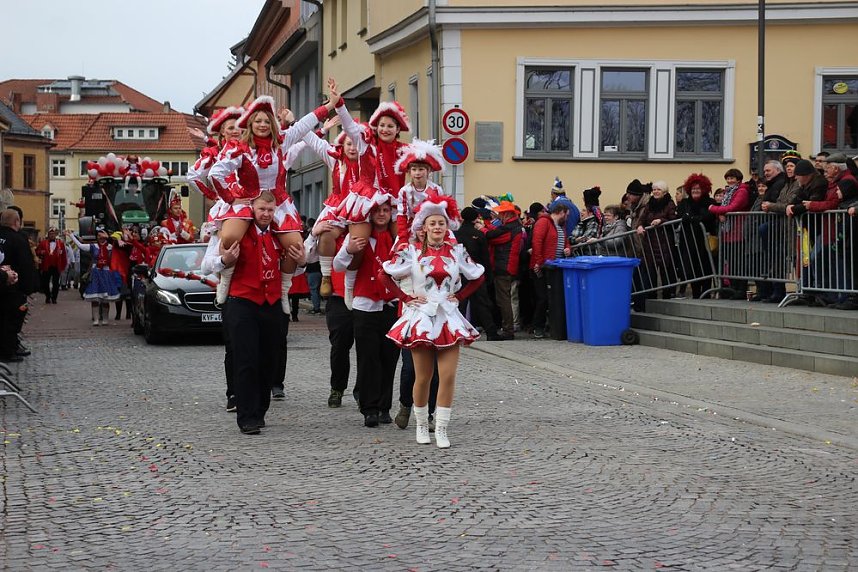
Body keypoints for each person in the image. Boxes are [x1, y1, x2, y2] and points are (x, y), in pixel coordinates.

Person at [209, 92, 338, 312]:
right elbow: (215, 173)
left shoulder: (282, 141)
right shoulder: (241, 149)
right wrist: (230, 197)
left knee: (296, 247)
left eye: (267, 121)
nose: (262, 125)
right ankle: (225, 281)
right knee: (230, 237)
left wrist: (330, 106)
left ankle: (284, 291)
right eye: (258, 121)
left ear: (273, 124)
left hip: (277, 203)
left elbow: (304, 124)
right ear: (250, 123)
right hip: (248, 200)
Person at [382, 195, 485, 448]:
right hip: (422, 318)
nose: (438, 227)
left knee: (448, 376)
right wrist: (405, 297)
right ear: (424, 228)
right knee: (423, 377)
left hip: (448, 317)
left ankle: (441, 428)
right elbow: (384, 274)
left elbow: (478, 275)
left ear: (447, 227)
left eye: (441, 223)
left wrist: (460, 296)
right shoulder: (411, 252)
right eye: (433, 223)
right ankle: (420, 425)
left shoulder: (457, 251)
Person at [219, 191, 306, 435]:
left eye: (270, 210)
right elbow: (210, 264)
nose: (266, 215)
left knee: (269, 360)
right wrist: (223, 260)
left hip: (272, 303)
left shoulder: (280, 236)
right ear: (252, 210)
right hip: (242, 301)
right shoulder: (238, 232)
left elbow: (292, 267)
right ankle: (246, 416)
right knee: (246, 360)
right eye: (262, 210)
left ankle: (260, 411)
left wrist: (302, 260)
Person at [330, 80, 410, 307]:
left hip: (393, 202)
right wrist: (340, 105)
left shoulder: (405, 150)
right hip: (367, 197)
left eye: (390, 126)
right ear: (376, 127)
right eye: (382, 125)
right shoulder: (366, 144)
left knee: (402, 242)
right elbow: (349, 127)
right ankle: (350, 284)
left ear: (397, 130)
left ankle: (401, 287)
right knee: (359, 241)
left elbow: (421, 168)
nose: (385, 129)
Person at [333, 200, 400, 427]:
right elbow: (338, 265)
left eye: (385, 211)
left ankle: (384, 407)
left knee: (389, 358)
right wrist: (349, 250)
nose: (381, 215)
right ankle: (369, 408)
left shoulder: (396, 239)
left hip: (391, 304)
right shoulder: (358, 237)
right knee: (368, 357)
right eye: (377, 211)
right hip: (365, 305)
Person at [454, 206, 499, 341]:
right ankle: (491, 333)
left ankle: (458, 332)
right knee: (482, 303)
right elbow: (485, 257)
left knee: (460, 303)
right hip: (476, 273)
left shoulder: (455, 235)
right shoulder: (478, 235)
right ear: (475, 218)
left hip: (460, 274)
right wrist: (488, 275)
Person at [393, 138, 447, 248]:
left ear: (429, 171)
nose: (417, 173)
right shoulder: (404, 191)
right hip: (411, 229)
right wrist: (403, 238)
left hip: (432, 228)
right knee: (400, 253)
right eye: (414, 169)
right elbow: (402, 215)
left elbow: (440, 213)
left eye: (421, 169)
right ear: (409, 171)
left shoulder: (436, 189)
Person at [529, 200, 571, 339]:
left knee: (550, 298)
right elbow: (537, 241)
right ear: (562, 212)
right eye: (567, 215)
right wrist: (539, 262)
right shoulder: (544, 222)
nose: (568, 218)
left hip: (555, 266)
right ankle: (538, 326)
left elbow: (565, 242)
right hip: (543, 266)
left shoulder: (560, 226)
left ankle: (546, 325)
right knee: (542, 298)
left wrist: (567, 249)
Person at [709, 168, 752, 298]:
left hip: (738, 232)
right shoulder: (728, 192)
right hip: (728, 233)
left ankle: (740, 290)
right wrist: (720, 212)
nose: (730, 180)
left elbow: (733, 207)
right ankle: (732, 289)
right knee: (731, 263)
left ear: (738, 179)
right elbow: (725, 210)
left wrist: (713, 208)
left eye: (732, 178)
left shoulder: (742, 191)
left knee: (738, 262)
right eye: (728, 178)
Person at [484, 200, 524, 340]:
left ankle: (508, 330)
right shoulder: (514, 226)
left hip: (504, 267)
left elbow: (491, 238)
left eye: (501, 213)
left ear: (506, 214)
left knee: (504, 300)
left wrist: (483, 228)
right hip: (507, 266)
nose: (499, 215)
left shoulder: (509, 228)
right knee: (505, 299)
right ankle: (508, 328)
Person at [67, 226, 123, 326]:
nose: (101, 237)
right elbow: (80, 245)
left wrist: (109, 237)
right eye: (99, 235)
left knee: (105, 299)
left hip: (106, 273)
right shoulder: (93, 246)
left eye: (102, 235)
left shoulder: (111, 246)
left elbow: (120, 242)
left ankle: (105, 319)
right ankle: (96, 319)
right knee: (95, 297)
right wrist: (71, 235)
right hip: (96, 273)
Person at [0, 209, 36, 362]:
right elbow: (26, 265)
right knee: (12, 320)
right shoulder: (18, 239)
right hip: (14, 288)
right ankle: (8, 351)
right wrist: (30, 288)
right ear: (16, 222)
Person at [676, 174, 717, 298]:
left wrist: (694, 218)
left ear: (704, 189)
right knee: (691, 268)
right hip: (689, 241)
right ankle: (695, 294)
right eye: (693, 189)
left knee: (705, 266)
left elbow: (709, 216)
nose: (695, 191)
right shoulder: (684, 203)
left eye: (698, 188)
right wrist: (691, 218)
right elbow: (681, 216)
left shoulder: (710, 202)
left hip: (704, 240)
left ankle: (706, 294)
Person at [636, 181, 678, 299]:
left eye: (658, 189)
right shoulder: (650, 204)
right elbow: (642, 218)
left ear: (664, 191)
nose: (655, 192)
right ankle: (652, 296)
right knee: (651, 271)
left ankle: (667, 295)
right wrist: (639, 226)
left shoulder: (669, 203)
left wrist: (661, 221)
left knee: (666, 270)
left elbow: (673, 219)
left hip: (665, 242)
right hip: (650, 242)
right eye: (654, 189)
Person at [35, 226, 68, 304]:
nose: (52, 235)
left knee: (56, 283)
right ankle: (48, 296)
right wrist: (41, 252)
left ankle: (54, 298)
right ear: (48, 234)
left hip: (56, 266)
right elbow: (37, 251)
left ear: (55, 234)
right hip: (47, 266)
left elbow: (63, 255)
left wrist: (63, 265)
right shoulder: (43, 243)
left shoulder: (60, 243)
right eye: (50, 234)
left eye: (53, 234)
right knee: (45, 283)